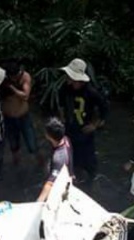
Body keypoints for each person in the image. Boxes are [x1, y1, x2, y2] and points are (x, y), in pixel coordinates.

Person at [58, 58, 108, 188]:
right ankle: (75, 182)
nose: (68, 79)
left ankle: (91, 184)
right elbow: (61, 104)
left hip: (85, 132)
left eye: (71, 77)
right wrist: (62, 119)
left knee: (89, 161)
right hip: (69, 129)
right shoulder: (65, 88)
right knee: (72, 159)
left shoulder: (91, 92)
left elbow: (104, 108)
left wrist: (94, 125)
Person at [0, 60, 43, 167]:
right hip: (8, 117)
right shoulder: (2, 79)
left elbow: (25, 95)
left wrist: (11, 87)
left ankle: (42, 166)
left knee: (32, 144)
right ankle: (17, 166)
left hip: (23, 116)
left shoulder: (25, 76)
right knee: (13, 145)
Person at [37, 118, 74, 202]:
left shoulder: (58, 158)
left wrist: (38, 202)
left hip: (60, 184)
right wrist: (72, 173)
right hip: (67, 173)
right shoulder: (66, 139)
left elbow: (50, 183)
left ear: (49, 136)